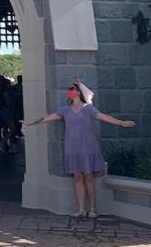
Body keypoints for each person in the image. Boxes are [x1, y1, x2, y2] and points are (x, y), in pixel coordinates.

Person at [25, 79, 135, 218]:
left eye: (72, 89)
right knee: (77, 177)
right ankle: (81, 209)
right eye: (69, 89)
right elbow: (49, 118)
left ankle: (93, 209)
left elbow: (102, 116)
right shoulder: (65, 109)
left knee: (88, 177)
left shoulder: (88, 108)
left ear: (79, 92)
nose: (69, 91)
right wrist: (32, 123)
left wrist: (121, 123)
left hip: (87, 146)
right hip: (72, 147)